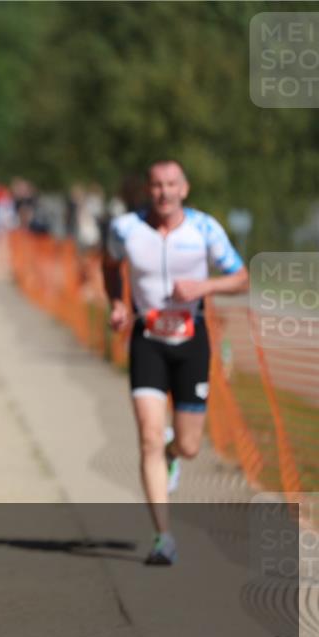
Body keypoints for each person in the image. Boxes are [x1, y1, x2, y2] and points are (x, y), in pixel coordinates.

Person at [103, 160, 248, 565]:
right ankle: (162, 537)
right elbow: (110, 264)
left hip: (191, 341)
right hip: (147, 340)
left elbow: (241, 277)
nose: (164, 192)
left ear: (184, 188)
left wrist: (205, 285)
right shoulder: (125, 229)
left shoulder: (205, 229)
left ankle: (171, 455)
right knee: (148, 435)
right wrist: (117, 301)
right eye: (156, 185)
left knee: (186, 445)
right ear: (147, 190)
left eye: (171, 184)